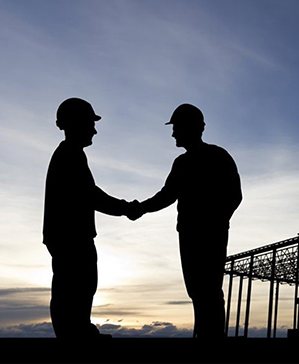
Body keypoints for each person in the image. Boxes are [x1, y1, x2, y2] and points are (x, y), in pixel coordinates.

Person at [128, 104, 242, 338]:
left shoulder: (217, 156)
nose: (173, 134)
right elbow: (167, 195)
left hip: (208, 234)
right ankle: (204, 335)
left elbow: (234, 195)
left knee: (208, 288)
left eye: (177, 128)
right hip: (190, 234)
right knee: (198, 289)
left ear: (193, 128)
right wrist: (141, 208)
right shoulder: (183, 163)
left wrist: (216, 222)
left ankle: (211, 339)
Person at [43, 97, 135, 339]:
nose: (94, 130)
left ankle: (78, 331)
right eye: (90, 123)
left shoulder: (70, 154)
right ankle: (75, 336)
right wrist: (126, 208)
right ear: (75, 123)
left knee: (78, 286)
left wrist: (125, 208)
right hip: (71, 236)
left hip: (68, 235)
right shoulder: (69, 155)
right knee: (76, 286)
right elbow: (91, 196)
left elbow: (89, 195)